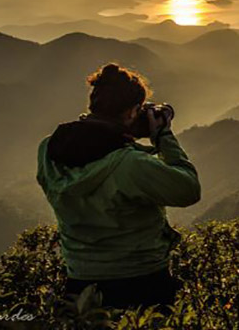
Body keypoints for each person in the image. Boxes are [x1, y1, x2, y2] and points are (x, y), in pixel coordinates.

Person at [36, 63, 201, 311]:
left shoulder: (49, 150)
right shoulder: (131, 164)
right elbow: (188, 189)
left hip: (80, 283)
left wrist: (125, 137)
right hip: (142, 282)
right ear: (132, 112)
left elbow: (95, 151)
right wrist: (163, 137)